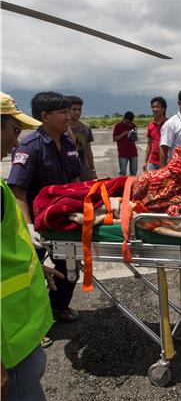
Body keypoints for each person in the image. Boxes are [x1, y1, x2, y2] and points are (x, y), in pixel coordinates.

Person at [1, 91, 64, 401]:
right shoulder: (29, 150)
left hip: (19, 340)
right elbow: (21, 190)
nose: (16, 142)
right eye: (13, 130)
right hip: (7, 351)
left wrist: (35, 262)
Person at [7, 91, 82, 325]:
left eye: (68, 111)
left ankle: (57, 308)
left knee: (69, 269)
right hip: (37, 223)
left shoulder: (69, 143)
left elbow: (75, 181)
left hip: (62, 221)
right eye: (62, 112)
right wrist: (28, 229)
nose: (68, 116)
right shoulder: (30, 147)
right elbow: (18, 191)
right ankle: (31, 323)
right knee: (29, 275)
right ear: (45, 116)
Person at [66, 95, 97, 181]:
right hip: (66, 171)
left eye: (79, 109)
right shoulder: (62, 129)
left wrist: (93, 170)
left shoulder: (85, 128)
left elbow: (88, 150)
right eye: (74, 109)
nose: (77, 112)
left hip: (83, 169)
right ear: (67, 110)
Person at [142, 96, 167, 172]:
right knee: (152, 183)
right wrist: (145, 161)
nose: (155, 109)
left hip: (166, 161)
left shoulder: (169, 124)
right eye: (153, 107)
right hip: (153, 162)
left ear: (163, 108)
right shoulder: (151, 126)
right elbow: (149, 144)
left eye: (157, 107)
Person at [112, 111, 138, 176]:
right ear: (124, 118)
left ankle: (132, 186)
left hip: (133, 153)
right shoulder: (118, 126)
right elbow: (114, 139)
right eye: (127, 122)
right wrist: (124, 133)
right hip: (123, 153)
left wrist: (133, 136)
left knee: (134, 173)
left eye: (130, 122)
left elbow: (136, 139)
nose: (129, 124)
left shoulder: (133, 125)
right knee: (122, 173)